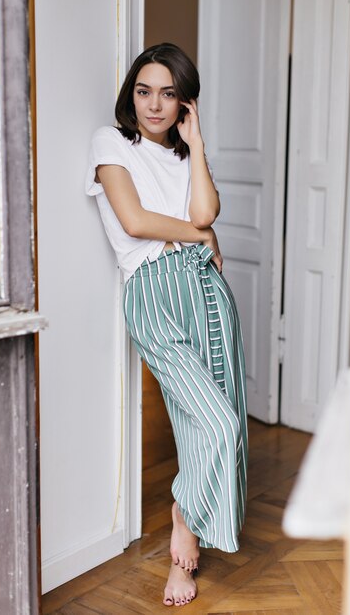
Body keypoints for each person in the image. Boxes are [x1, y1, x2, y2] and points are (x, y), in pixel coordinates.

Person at [86, 42, 248, 608]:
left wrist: (197, 143)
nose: (154, 105)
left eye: (169, 93)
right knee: (216, 422)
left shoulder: (184, 156)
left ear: (185, 102)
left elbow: (204, 213)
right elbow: (133, 222)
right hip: (154, 292)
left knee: (212, 418)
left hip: (205, 288)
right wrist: (200, 235)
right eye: (144, 90)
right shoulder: (111, 143)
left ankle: (192, 535)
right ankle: (184, 513)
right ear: (131, 94)